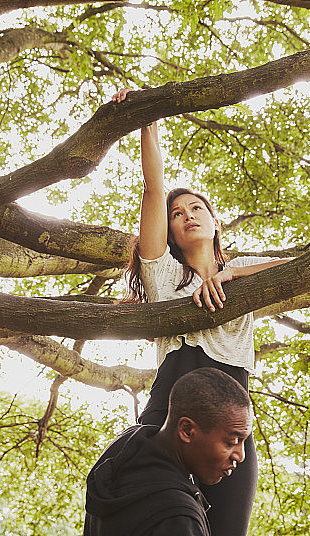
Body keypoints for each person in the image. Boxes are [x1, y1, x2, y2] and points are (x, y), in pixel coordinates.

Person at [111, 87, 292, 535]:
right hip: (168, 412)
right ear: (169, 232)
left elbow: (307, 265)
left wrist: (233, 276)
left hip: (228, 412)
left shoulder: (244, 268)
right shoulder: (163, 275)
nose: (187, 214)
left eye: (197, 208)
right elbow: (154, 190)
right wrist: (145, 120)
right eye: (177, 214)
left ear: (214, 223)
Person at [83, 367, 254, 536]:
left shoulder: (121, 457)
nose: (240, 456)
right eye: (232, 441)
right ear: (187, 430)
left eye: (243, 442)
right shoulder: (177, 519)